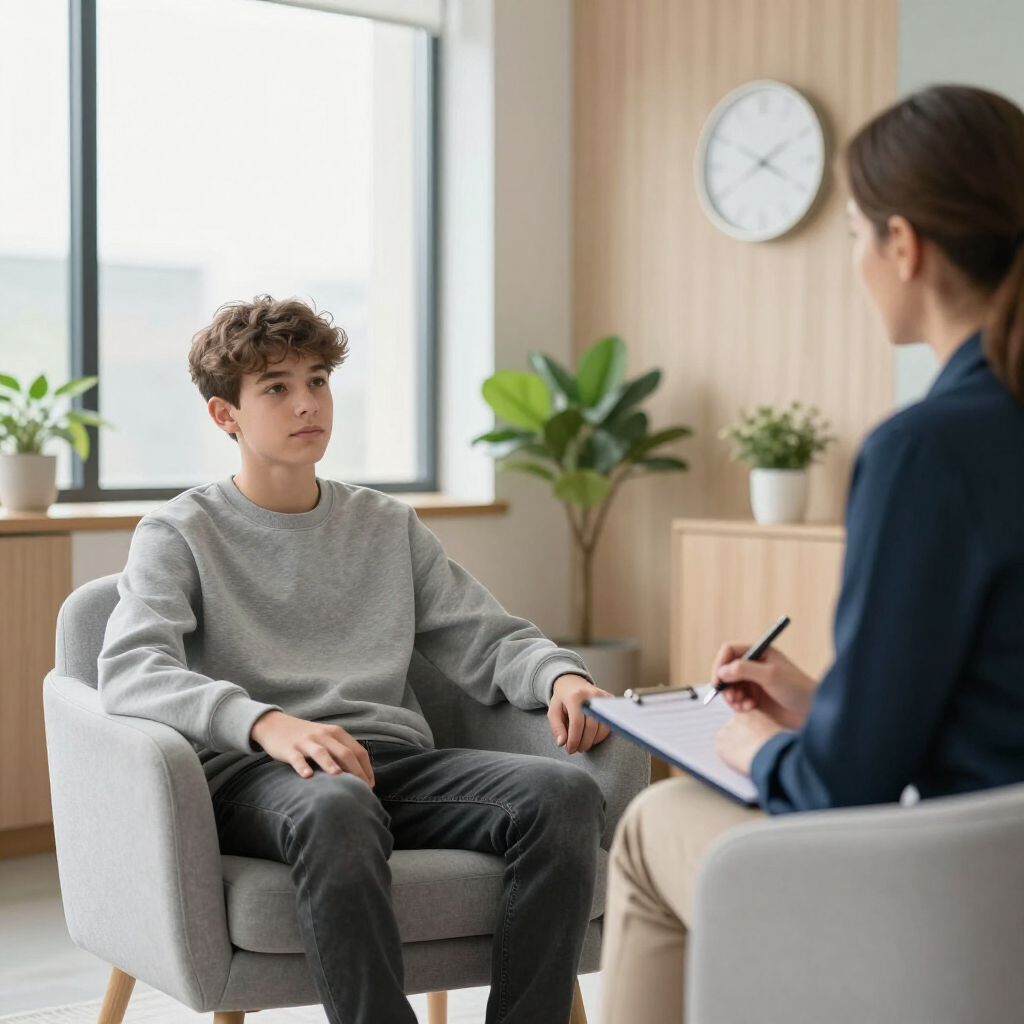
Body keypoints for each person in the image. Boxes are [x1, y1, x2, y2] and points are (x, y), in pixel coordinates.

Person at [599, 83, 1024, 1024]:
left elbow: (844, 788)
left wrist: (763, 746)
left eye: (854, 235)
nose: (858, 260)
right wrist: (823, 703)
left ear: (903, 246)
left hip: (956, 903)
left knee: (650, 824)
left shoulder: (928, 450)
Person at [97, 294, 613, 1024]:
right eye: (276, 387)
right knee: (337, 805)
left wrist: (559, 674)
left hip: (391, 763)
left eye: (318, 380)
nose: (307, 403)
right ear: (226, 415)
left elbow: (486, 634)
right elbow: (129, 668)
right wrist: (267, 724)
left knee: (562, 796)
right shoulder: (178, 532)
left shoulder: (385, 524)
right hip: (263, 775)